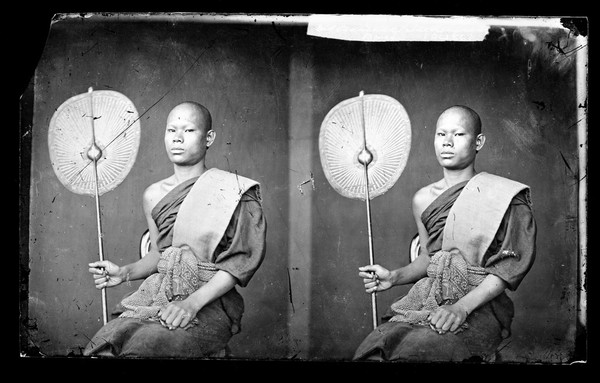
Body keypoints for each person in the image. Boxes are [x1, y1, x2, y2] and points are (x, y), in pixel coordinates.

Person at [83, 101, 267, 358]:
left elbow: (237, 265)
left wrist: (190, 304)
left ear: (209, 138)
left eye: (189, 131)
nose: (178, 139)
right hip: (157, 295)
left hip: (209, 303)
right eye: (172, 131)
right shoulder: (153, 195)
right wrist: (124, 273)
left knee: (146, 347)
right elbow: (160, 254)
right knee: (103, 344)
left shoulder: (233, 191)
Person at [354, 105, 536, 362]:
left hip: (479, 305)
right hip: (426, 298)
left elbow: (506, 270)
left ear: (478, 142)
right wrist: (394, 277)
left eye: (459, 135)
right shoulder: (422, 199)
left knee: (418, 353)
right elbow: (430, 257)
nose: (447, 143)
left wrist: (461, 308)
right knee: (375, 350)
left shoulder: (503, 196)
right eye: (441, 135)